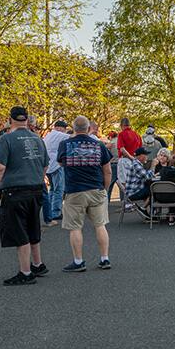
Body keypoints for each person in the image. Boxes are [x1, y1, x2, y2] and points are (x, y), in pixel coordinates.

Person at [0, 107, 49, 285]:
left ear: (10, 120)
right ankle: (38, 264)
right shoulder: (38, 139)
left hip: (15, 191)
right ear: (27, 120)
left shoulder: (6, 139)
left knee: (19, 230)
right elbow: (45, 164)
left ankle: (26, 272)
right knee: (33, 226)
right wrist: (37, 176)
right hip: (36, 188)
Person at [57, 116, 113, 272]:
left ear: (74, 129)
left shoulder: (65, 144)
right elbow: (107, 170)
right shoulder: (99, 145)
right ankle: (104, 258)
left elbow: (61, 163)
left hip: (74, 191)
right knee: (100, 225)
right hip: (96, 189)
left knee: (75, 227)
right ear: (89, 129)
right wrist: (105, 189)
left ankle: (78, 261)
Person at [43, 120, 70, 226]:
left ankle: (49, 211)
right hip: (57, 165)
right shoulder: (60, 135)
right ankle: (56, 212)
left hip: (48, 165)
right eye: (64, 128)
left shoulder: (48, 136)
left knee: (52, 189)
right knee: (59, 189)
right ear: (59, 128)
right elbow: (72, 138)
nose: (65, 130)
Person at [121, 147, 154, 216]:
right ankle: (143, 209)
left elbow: (144, 175)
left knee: (151, 188)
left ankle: (150, 213)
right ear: (141, 156)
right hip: (133, 193)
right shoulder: (136, 165)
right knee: (154, 190)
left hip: (134, 190)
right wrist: (153, 166)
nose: (147, 157)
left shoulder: (136, 163)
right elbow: (148, 177)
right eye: (146, 155)